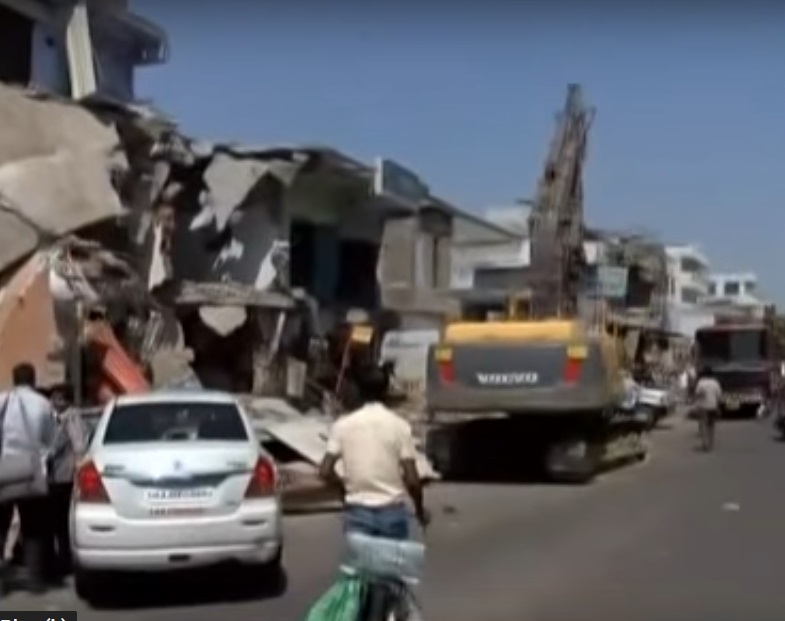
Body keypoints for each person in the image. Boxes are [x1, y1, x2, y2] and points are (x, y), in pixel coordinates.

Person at [319, 366, 430, 541]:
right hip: (392, 512)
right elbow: (412, 481)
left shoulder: (342, 425)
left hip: (357, 511)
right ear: (386, 391)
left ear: (357, 390)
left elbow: (325, 471)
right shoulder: (399, 426)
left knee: (362, 566)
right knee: (391, 565)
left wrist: (343, 486)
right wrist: (419, 509)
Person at [0, 363, 56, 593]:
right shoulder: (43, 404)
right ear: (33, 379)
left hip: (4, 468)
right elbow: (50, 441)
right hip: (32, 469)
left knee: (0, 527)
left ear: (14, 379)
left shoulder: (2, 400)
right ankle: (34, 580)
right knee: (33, 527)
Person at [46, 384, 87, 579]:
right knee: (55, 521)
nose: (56, 402)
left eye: (61, 398)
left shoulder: (72, 417)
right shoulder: (53, 418)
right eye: (54, 398)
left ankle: (64, 560)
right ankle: (59, 559)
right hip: (54, 477)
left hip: (66, 476)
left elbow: (79, 445)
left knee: (62, 521)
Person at [693, 368, 722, 443]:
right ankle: (711, 441)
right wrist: (718, 407)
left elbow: (697, 394)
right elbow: (719, 396)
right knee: (711, 425)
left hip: (703, 406)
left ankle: (705, 442)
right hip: (713, 405)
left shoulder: (701, 382)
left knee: (703, 423)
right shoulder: (715, 382)